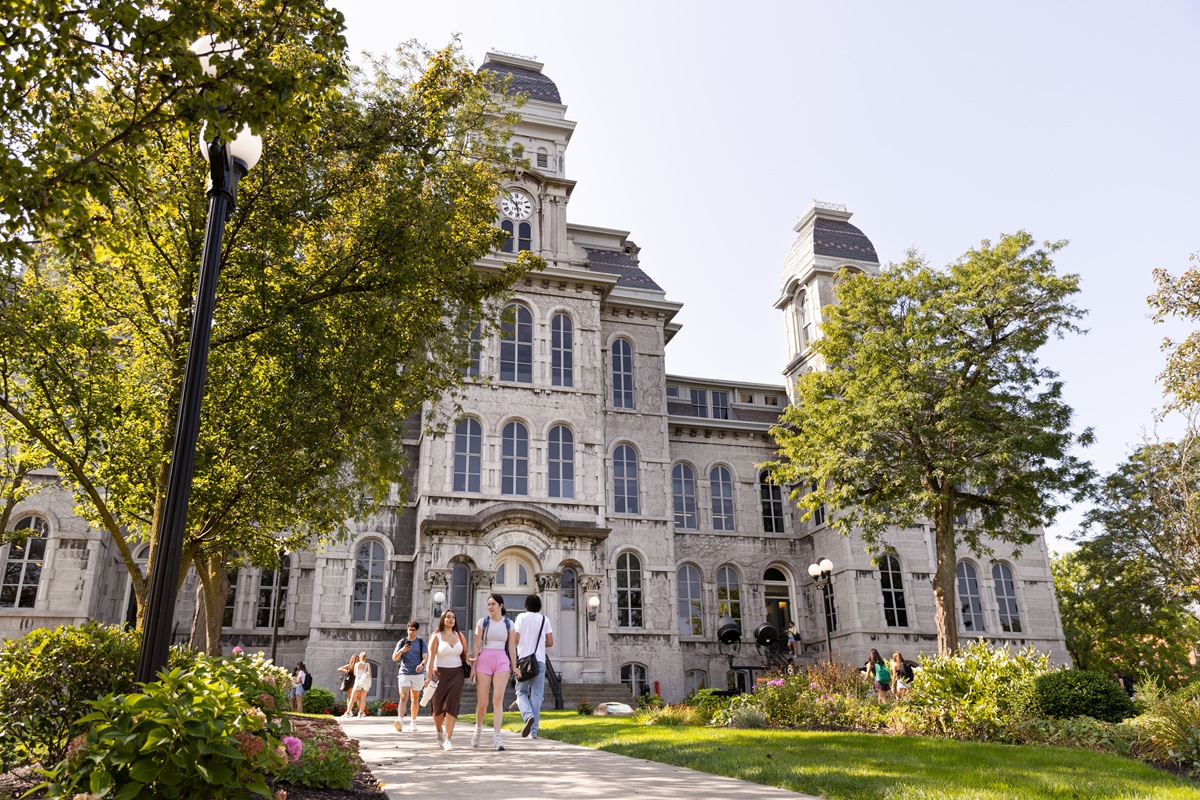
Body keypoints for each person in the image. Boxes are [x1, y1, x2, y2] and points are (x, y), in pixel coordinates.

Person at [470, 594, 519, 751]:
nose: (490, 607)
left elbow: (511, 647)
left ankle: (497, 737)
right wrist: (473, 667)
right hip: (484, 660)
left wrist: (514, 666)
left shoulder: (509, 624)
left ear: (501, 605)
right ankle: (478, 729)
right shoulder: (482, 623)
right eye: (488, 604)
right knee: (482, 702)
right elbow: (476, 646)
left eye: (493, 604)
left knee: (498, 699)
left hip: (501, 661)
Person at [513, 594, 554, 739]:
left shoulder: (521, 618)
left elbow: (516, 639)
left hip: (524, 661)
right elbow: (550, 642)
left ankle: (528, 715)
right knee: (537, 696)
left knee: (520, 692)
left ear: (526, 605)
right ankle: (533, 732)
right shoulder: (544, 619)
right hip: (539, 661)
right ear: (539, 606)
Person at [428, 609, 469, 751]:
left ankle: (448, 739)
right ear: (443, 620)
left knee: (452, 705)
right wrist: (428, 677)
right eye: (448, 617)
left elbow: (465, 653)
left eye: (453, 617)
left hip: (457, 673)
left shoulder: (459, 635)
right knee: (438, 709)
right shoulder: (436, 637)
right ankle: (439, 730)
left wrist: (470, 659)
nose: (451, 619)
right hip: (439, 673)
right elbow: (431, 659)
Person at [392, 620, 428, 732]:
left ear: (417, 631)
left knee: (415, 698)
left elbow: (425, 657)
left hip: (417, 673)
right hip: (404, 672)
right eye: (409, 629)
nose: (411, 632)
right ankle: (400, 721)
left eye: (413, 630)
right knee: (403, 696)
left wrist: (421, 665)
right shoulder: (402, 642)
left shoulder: (422, 643)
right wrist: (402, 651)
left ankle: (413, 721)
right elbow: (394, 658)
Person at [350, 651, 372, 717]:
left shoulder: (357, 664)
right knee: (363, 698)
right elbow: (370, 674)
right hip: (365, 682)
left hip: (358, 681)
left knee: (353, 698)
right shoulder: (367, 664)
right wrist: (370, 683)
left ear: (360, 657)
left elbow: (355, 674)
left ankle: (348, 712)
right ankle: (361, 712)